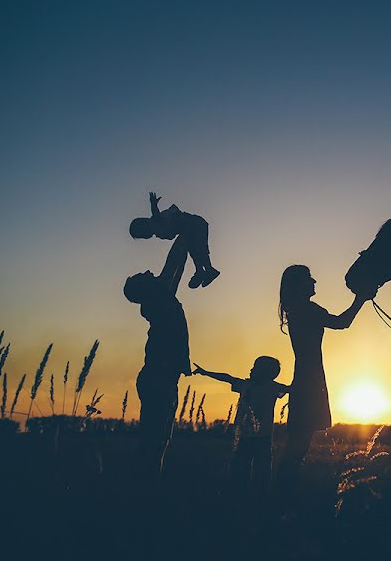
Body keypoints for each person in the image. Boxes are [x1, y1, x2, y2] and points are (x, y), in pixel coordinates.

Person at [275, 265, 375, 504]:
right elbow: (342, 323)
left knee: (298, 444)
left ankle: (282, 493)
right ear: (300, 285)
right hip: (310, 378)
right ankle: (281, 495)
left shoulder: (297, 310)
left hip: (306, 375)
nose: (315, 281)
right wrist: (360, 299)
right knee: (298, 446)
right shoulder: (307, 309)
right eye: (310, 279)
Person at [124, 235, 192, 476]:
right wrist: (183, 237)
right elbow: (171, 267)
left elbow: (176, 270)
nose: (147, 271)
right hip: (158, 378)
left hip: (161, 378)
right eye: (144, 276)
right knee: (155, 441)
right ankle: (146, 488)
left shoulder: (159, 298)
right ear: (144, 290)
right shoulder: (157, 301)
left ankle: (148, 485)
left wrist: (186, 243)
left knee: (160, 440)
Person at [192, 357, 289, 492]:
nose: (251, 369)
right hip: (245, 436)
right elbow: (227, 378)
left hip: (263, 438)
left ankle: (259, 495)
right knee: (240, 469)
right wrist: (206, 372)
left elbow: (292, 389)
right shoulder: (246, 385)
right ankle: (240, 493)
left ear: (265, 372)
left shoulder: (273, 387)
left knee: (262, 472)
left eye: (255, 367)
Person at [129, 192, 220, 289]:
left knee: (199, 249)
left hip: (195, 224)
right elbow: (168, 232)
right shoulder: (159, 230)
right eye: (143, 235)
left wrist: (153, 205)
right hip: (192, 228)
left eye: (143, 230)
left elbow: (156, 216)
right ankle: (203, 271)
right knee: (195, 250)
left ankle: (206, 270)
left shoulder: (155, 222)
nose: (146, 234)